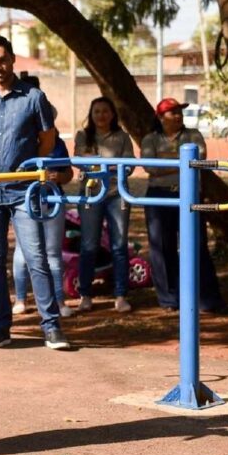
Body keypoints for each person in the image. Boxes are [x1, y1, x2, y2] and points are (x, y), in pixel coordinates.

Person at [0, 35, 70, 350]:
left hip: (24, 191)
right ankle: (1, 327)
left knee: (36, 256)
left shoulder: (34, 98)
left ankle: (51, 326)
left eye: (3, 60)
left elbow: (46, 141)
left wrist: (26, 167)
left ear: (12, 59)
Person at [140, 97, 226, 313]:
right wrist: (182, 164)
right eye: (172, 112)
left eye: (179, 112)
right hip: (159, 195)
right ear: (160, 118)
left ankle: (207, 299)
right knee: (162, 247)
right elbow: (151, 168)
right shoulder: (150, 139)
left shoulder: (193, 135)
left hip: (189, 195)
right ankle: (170, 299)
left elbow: (199, 160)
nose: (178, 116)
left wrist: (171, 163)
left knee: (197, 245)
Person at [74, 96, 136, 313]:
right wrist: (110, 165)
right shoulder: (83, 136)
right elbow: (81, 161)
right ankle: (85, 294)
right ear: (91, 115)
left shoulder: (122, 137)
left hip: (117, 194)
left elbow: (129, 165)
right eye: (97, 111)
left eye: (105, 111)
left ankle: (120, 294)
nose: (101, 115)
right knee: (89, 245)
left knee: (119, 245)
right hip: (91, 195)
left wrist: (99, 163)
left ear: (113, 114)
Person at [12, 131, 74, 317]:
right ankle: (20, 299)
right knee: (22, 251)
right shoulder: (21, 140)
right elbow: (13, 174)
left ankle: (59, 301)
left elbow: (68, 173)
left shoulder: (59, 143)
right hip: (27, 201)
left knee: (53, 252)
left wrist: (57, 177)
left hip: (53, 200)